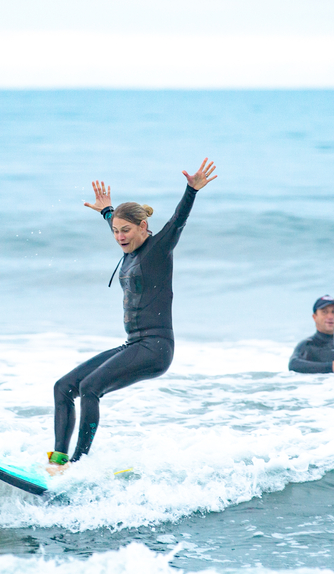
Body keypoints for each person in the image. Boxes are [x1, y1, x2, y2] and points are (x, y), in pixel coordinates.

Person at [48, 159, 217, 470]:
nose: (119, 237)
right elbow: (118, 223)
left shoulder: (157, 249)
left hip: (155, 347)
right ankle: (57, 462)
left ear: (143, 228)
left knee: (89, 389)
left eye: (125, 230)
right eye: (114, 231)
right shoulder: (129, 248)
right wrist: (106, 211)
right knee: (63, 388)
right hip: (133, 344)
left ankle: (79, 463)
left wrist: (191, 190)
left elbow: (178, 221)